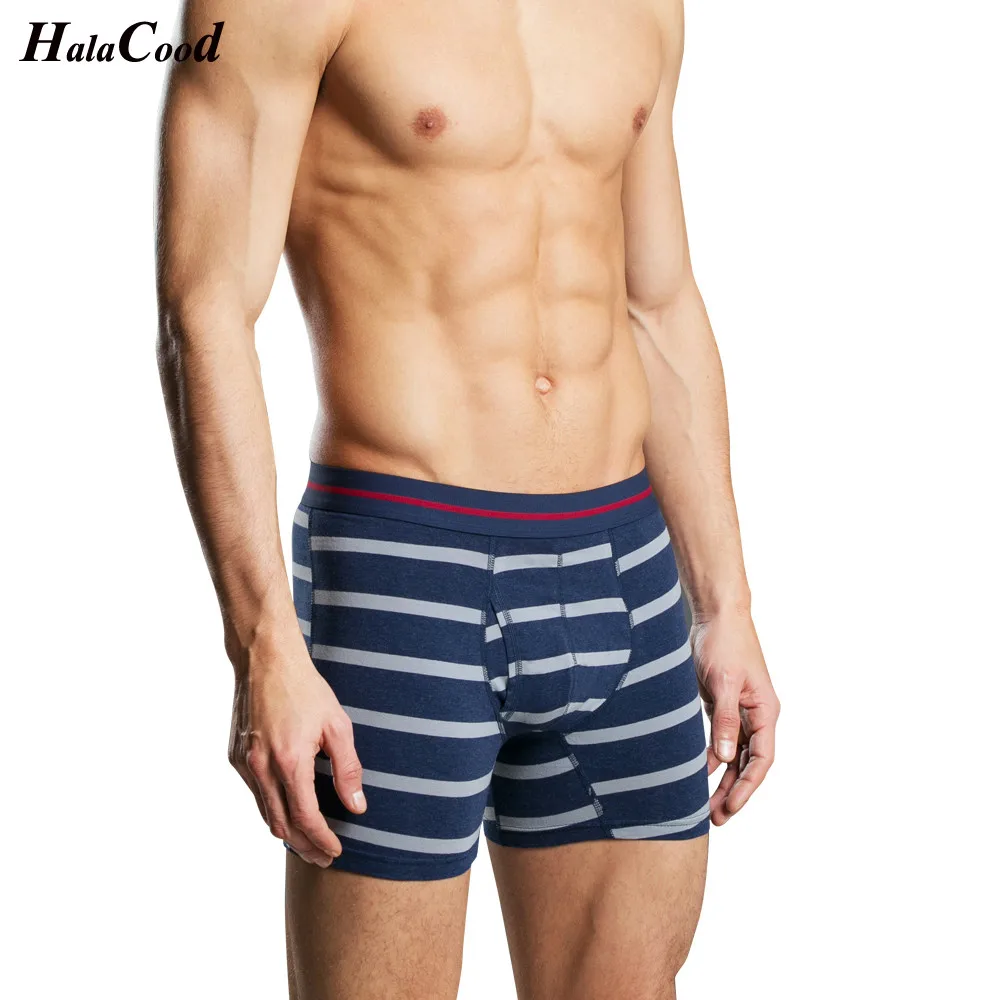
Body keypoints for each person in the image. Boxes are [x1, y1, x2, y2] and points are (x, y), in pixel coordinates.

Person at [155, 0, 780, 996]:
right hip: (407, 576)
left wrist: (727, 603)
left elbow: (656, 301)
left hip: (623, 575)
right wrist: (261, 639)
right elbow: (205, 306)